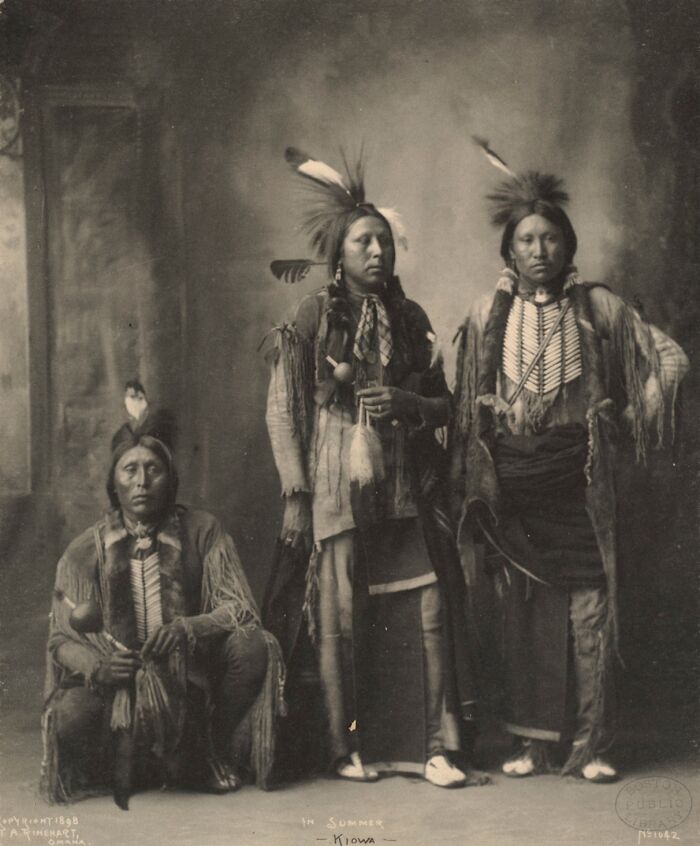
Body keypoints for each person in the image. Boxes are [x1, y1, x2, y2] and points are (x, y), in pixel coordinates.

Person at [450, 144, 689, 783]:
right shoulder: (486, 315)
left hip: (580, 484)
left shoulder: (599, 308)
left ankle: (593, 743)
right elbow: (467, 405)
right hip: (517, 484)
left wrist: (634, 417)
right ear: (509, 251)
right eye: (526, 239)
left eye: (550, 237)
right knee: (528, 615)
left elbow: (669, 359)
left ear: (567, 245)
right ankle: (534, 744)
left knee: (590, 612)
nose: (538, 250)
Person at [262, 148, 482, 789]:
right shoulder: (312, 317)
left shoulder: (411, 320)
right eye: (364, 241)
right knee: (340, 615)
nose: (379, 252)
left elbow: (445, 403)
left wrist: (410, 402)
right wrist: (297, 489)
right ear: (339, 253)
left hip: (406, 482)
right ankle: (344, 746)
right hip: (337, 480)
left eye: (384, 241)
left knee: (428, 608)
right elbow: (283, 407)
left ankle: (437, 746)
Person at [40, 398, 285, 807]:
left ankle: (206, 751)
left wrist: (187, 628)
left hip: (192, 679)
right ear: (114, 483)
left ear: (170, 479)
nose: (141, 481)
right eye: (130, 470)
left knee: (252, 645)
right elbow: (61, 640)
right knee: (69, 717)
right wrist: (99, 668)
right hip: (118, 685)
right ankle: (138, 760)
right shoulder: (87, 550)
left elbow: (240, 607)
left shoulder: (202, 530)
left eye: (153, 470)